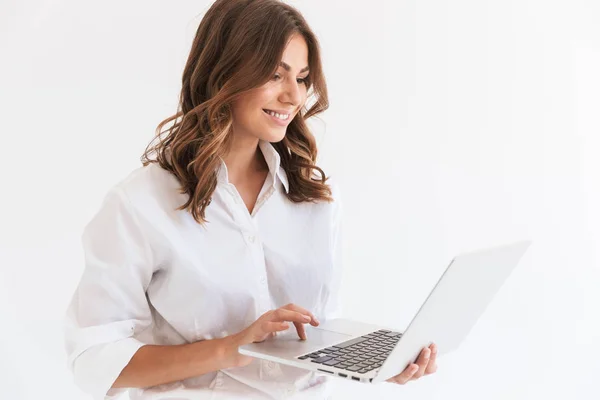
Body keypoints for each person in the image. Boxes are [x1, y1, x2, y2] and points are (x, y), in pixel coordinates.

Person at [64, 0, 438, 399]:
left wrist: (379, 364)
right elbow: (94, 358)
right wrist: (231, 347)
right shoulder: (141, 204)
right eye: (276, 74)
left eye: (303, 77)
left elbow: (317, 330)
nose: (293, 96)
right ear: (224, 73)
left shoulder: (315, 198)